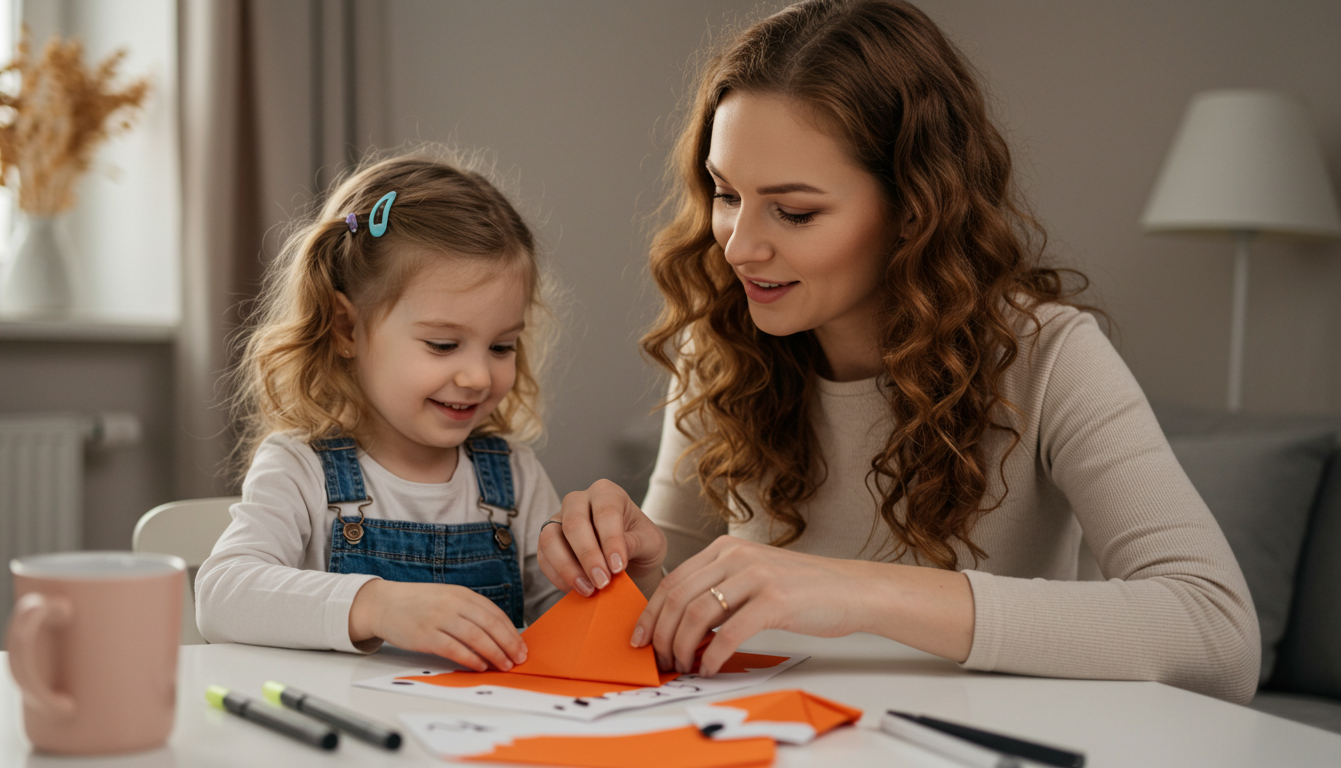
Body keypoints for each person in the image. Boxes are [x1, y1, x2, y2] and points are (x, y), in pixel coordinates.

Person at [537, 0, 1260, 703]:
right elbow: (675, 615)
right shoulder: (722, 343)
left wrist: (857, 591)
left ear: (916, 206)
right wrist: (638, 570)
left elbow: (1218, 637)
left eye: (794, 211)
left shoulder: (1048, 357)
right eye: (726, 194)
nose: (740, 245)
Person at [197, 151, 561, 672]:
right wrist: (376, 605)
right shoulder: (300, 468)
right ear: (347, 329)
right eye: (442, 344)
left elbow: (565, 623)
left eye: (502, 347)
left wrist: (621, 574)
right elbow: (221, 594)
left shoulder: (516, 478)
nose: (479, 376)